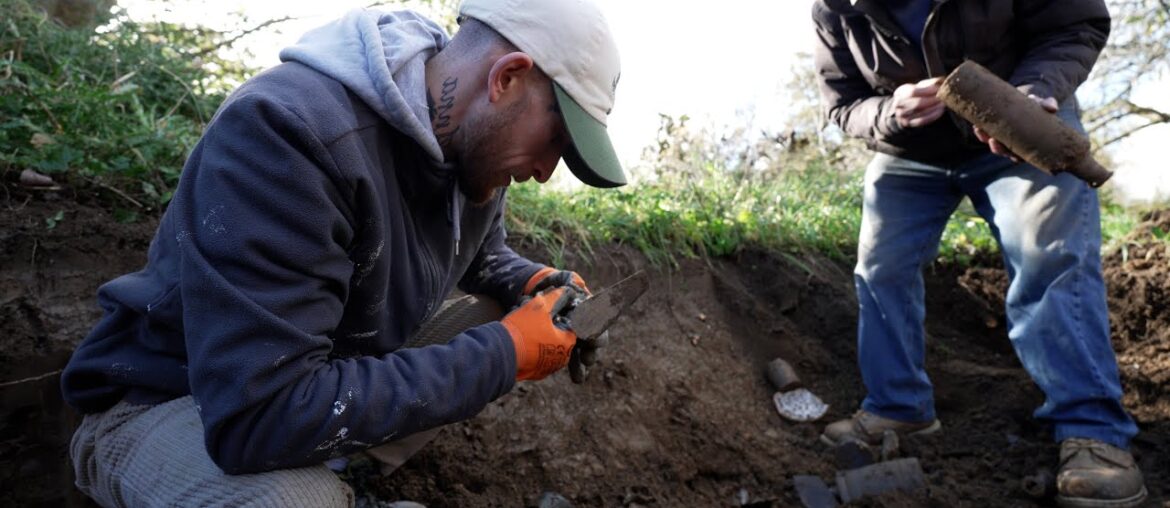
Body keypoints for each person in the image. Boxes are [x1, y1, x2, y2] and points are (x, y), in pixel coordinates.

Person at [60, 0, 624, 505]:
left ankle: (342, 474)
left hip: (303, 387)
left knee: (495, 314)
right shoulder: (290, 132)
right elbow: (254, 418)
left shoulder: (472, 150)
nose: (546, 174)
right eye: (556, 143)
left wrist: (537, 283)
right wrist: (505, 355)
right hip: (172, 403)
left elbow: (480, 255)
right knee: (290, 503)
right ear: (507, 78)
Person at [810, 1, 1146, 506]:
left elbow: (1076, 22)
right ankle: (899, 407)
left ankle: (1093, 432)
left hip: (1023, 130)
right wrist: (890, 111)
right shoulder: (835, 7)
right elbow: (842, 103)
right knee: (881, 268)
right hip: (911, 151)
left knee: (1048, 260)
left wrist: (1035, 91)